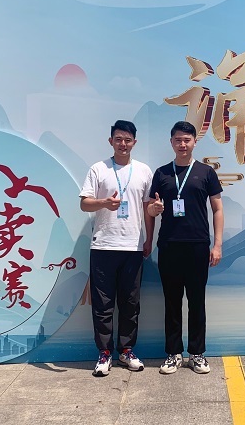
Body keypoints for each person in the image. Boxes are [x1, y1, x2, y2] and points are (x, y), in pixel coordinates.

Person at [146, 121, 223, 375]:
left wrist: (217, 245)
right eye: (178, 140)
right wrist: (154, 209)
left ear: (194, 142)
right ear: (171, 142)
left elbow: (218, 209)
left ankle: (197, 354)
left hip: (198, 246)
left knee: (197, 301)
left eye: (187, 140)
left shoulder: (206, 172)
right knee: (171, 302)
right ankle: (173, 353)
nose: (182, 144)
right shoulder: (162, 173)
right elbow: (150, 209)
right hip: (169, 245)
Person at [80, 120, 154, 377]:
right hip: (103, 245)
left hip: (133, 247)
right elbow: (84, 203)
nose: (123, 144)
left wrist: (149, 239)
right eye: (118, 139)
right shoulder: (98, 169)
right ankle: (104, 353)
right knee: (103, 304)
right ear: (110, 141)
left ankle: (126, 351)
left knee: (130, 303)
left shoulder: (144, 171)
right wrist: (103, 202)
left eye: (128, 140)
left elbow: (147, 208)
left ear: (135, 142)